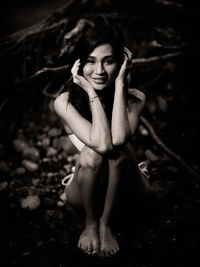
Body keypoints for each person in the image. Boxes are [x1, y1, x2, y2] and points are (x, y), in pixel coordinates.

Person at [54, 22, 151, 257]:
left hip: (127, 191)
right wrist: (89, 92)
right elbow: (101, 145)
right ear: (79, 64)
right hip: (86, 190)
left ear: (120, 63)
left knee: (121, 153)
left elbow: (117, 139)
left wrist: (120, 84)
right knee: (93, 151)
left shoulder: (135, 98)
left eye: (108, 61)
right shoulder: (64, 102)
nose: (99, 70)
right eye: (91, 60)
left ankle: (106, 224)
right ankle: (91, 223)